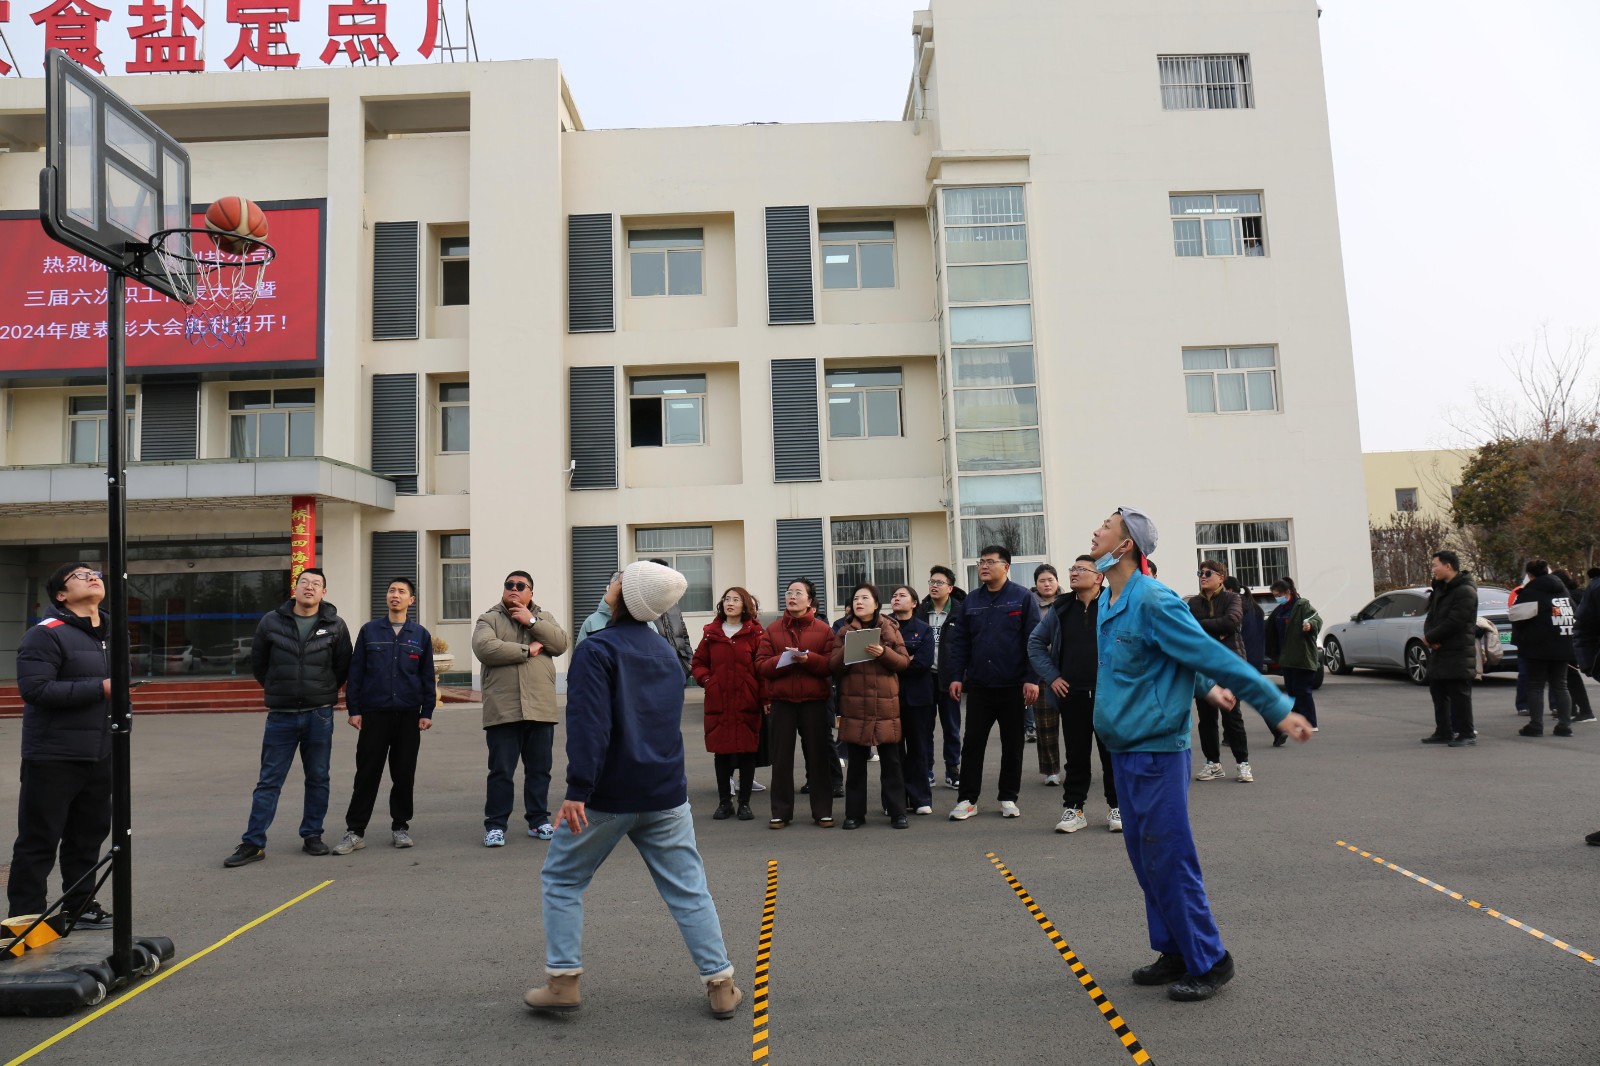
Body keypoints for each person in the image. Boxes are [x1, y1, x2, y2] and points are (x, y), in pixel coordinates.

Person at [1089, 507, 1312, 1001]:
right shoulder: (1109, 597)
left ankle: (1210, 959)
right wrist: (1205, 687)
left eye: (1106, 526)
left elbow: (1206, 652)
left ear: (1126, 545)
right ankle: (1175, 950)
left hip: (1156, 749)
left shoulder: (1155, 599)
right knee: (1146, 860)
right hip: (1122, 746)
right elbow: (1166, 658)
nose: (1096, 531)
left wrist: (1276, 707)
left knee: (1170, 858)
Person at [525, 561, 742, 1020]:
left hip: (607, 793)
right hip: (666, 791)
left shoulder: (596, 649)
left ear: (623, 593)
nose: (612, 582)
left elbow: (589, 725)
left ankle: (563, 981)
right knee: (689, 890)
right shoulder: (666, 653)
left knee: (562, 879)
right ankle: (721, 983)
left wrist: (578, 789)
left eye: (619, 578)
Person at [7, 563, 114, 926]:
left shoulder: (112, 633)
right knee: (39, 839)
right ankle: (24, 920)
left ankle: (79, 906)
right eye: (80, 575)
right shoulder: (45, 634)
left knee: (88, 837)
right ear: (61, 595)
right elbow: (35, 690)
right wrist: (100, 688)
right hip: (53, 755)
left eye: (94, 573)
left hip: (100, 751)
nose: (92, 577)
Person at [225, 567, 352, 868]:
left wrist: (320, 692)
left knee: (318, 777)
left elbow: (342, 666)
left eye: (316, 584)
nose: (309, 587)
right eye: (304, 582)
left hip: (319, 714)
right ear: (294, 589)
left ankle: (312, 835)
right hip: (281, 715)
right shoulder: (271, 621)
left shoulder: (335, 625)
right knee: (269, 780)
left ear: (324, 592)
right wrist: (279, 689)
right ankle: (253, 842)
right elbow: (260, 664)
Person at [331, 578, 436, 855]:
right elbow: (356, 673)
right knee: (367, 774)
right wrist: (354, 709)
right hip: (374, 714)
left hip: (408, 716)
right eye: (391, 591)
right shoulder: (370, 631)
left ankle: (400, 827)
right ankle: (355, 831)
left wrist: (427, 712)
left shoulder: (420, 635)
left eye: (401, 592)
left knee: (404, 774)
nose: (395, 595)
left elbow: (427, 677)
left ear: (411, 600)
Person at [471, 570, 570, 846]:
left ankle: (538, 821)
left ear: (531, 593)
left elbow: (561, 643)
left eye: (520, 585)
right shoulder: (489, 619)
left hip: (540, 707)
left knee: (539, 770)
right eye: (509, 584)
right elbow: (485, 648)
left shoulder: (544, 618)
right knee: (501, 771)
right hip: (503, 708)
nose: (513, 588)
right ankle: (495, 825)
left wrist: (532, 621)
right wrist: (528, 650)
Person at [945, 545, 1039, 821]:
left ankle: (1008, 797)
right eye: (981, 562)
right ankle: (967, 800)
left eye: (990, 562)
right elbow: (960, 642)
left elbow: (1033, 641)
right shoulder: (972, 600)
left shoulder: (1022, 597)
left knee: (1013, 745)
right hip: (980, 686)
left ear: (1006, 567)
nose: (984, 566)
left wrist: (1031, 679)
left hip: (1013, 685)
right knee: (973, 744)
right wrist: (956, 676)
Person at [1028, 555, 1120, 834]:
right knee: (1076, 756)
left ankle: (1118, 807)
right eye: (1073, 568)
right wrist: (1052, 676)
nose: (1074, 573)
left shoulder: (1114, 603)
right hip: (1073, 695)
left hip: (1109, 695)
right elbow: (1035, 642)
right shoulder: (1061, 607)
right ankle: (1074, 808)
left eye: (1081, 569)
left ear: (1099, 577)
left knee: (1112, 755)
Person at [755, 578, 838, 829]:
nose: (792, 596)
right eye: (789, 592)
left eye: (798, 593)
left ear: (809, 600)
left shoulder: (824, 630)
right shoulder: (772, 629)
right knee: (781, 759)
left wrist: (808, 660)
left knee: (818, 757)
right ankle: (780, 812)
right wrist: (784, 659)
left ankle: (822, 811)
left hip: (815, 702)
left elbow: (831, 666)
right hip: (782, 703)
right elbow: (761, 665)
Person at [831, 584, 911, 830]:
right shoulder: (844, 631)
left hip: (885, 706)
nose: (859, 602)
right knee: (856, 764)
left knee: (891, 763)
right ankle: (854, 814)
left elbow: (903, 662)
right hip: (856, 706)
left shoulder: (889, 628)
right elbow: (833, 666)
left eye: (865, 598)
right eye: (856, 598)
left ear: (876, 604)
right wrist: (849, 649)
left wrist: (883, 653)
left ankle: (898, 812)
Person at [690, 586, 765, 821]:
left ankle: (744, 803)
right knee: (721, 752)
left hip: (747, 700)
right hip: (719, 700)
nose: (730, 603)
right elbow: (698, 663)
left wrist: (764, 697)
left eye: (735, 600)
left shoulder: (755, 633)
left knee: (747, 752)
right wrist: (708, 681)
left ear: (745, 605)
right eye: (726, 599)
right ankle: (724, 802)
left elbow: (762, 668)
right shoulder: (711, 633)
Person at [1187, 561, 1252, 783]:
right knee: (1206, 718)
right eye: (1200, 573)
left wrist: (1203, 626)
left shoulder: (1233, 598)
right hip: (1204, 665)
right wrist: (1216, 628)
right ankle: (1213, 763)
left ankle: (1243, 764)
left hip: (1230, 664)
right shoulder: (1193, 602)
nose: (1203, 576)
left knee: (1232, 716)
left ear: (1221, 578)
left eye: (1208, 573)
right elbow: (1188, 627)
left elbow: (1231, 622)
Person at [1509, 559, 1576, 738]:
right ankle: (1565, 725)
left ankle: (1536, 725)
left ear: (1529, 575)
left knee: (1536, 685)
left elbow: (1516, 617)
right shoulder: (1562, 591)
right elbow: (1574, 613)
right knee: (1561, 685)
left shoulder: (1531, 592)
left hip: (1538, 646)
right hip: (1563, 643)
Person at [1418, 553, 1477, 747]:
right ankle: (1444, 731)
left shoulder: (1465, 591)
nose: (1433, 569)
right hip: (1440, 651)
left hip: (1458, 650)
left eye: (1435, 565)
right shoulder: (1440, 589)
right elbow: (1431, 617)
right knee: (1438, 691)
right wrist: (1430, 637)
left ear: (1448, 566)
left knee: (1459, 693)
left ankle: (1467, 733)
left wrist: (1431, 638)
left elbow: (1456, 622)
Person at [888, 585, 936, 816]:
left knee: (918, 748)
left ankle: (920, 798)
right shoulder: (883, 628)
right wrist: (907, 658)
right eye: (894, 596)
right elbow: (878, 661)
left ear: (914, 603)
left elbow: (924, 662)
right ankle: (894, 800)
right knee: (893, 751)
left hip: (918, 698)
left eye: (902, 595)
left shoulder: (924, 629)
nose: (896, 598)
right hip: (890, 697)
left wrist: (895, 660)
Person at [915, 566, 965, 791]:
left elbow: (965, 646)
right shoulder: (920, 611)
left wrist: (960, 675)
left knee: (951, 727)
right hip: (924, 678)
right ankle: (926, 769)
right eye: (931, 582)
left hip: (950, 678)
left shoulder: (960, 612)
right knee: (924, 728)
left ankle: (953, 769)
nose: (934, 586)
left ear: (950, 588)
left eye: (939, 582)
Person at [1227, 575, 1281, 747]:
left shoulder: (1235, 607)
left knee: (1231, 698)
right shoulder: (1254, 607)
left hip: (1241, 659)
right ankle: (1277, 730)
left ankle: (1231, 735)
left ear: (1229, 590)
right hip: (1256, 659)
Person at [1266, 577, 1323, 737]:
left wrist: (1310, 625)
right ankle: (1298, 722)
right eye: (1275, 595)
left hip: (1302, 657)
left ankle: (1310, 722)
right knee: (1291, 692)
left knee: (1303, 691)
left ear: (1288, 592)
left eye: (1279, 595)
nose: (1277, 598)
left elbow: (1317, 620)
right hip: (1287, 659)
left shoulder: (1302, 605)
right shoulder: (1279, 611)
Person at [1026, 564, 1060, 758]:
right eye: (1042, 581)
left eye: (1050, 580)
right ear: (1036, 584)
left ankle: (1076, 769)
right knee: (1046, 727)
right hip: (1040, 671)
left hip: (1067, 669)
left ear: (1057, 581)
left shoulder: (1068, 601)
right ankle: (1050, 769)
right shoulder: (1029, 606)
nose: (1047, 584)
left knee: (1076, 726)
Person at [1553, 569, 1595, 723]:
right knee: (1568, 677)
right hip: (1581, 639)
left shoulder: (1563, 598)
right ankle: (1572, 709)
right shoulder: (1580, 593)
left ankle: (1584, 711)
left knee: (1569, 677)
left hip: (1569, 639)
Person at [647, 559, 695, 684]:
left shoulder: (674, 605)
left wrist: (690, 659)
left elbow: (684, 635)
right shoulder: (645, 605)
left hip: (680, 665)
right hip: (657, 667)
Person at [575, 571, 623, 647]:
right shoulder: (591, 622)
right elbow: (581, 651)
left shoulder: (637, 621)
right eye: (616, 582)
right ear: (608, 588)